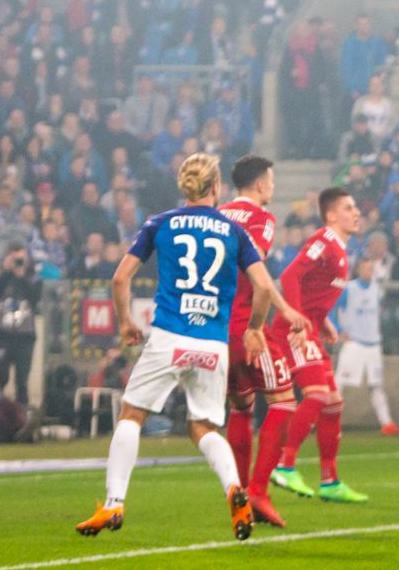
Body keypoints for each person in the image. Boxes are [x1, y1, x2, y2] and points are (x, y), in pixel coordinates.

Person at [76, 154, 283, 540]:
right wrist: (255, 328)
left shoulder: (161, 223)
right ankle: (234, 490)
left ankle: (113, 504)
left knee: (131, 415)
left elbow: (121, 280)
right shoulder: (234, 231)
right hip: (212, 344)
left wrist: (126, 322)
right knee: (204, 427)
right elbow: (265, 288)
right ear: (215, 187)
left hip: (169, 335)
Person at [260, 186, 368, 504]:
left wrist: (325, 321)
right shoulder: (323, 241)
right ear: (332, 215)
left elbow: (313, 290)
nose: (357, 212)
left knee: (333, 403)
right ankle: (284, 464)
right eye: (349, 207)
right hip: (294, 332)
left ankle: (330, 481)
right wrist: (295, 317)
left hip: (311, 330)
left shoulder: (339, 249)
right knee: (318, 395)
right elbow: (291, 276)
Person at [218, 155, 311, 526]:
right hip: (245, 324)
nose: (272, 187)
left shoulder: (217, 214)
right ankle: (257, 491)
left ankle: (239, 494)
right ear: (259, 185)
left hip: (215, 330)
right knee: (284, 400)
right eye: (271, 181)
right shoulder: (262, 219)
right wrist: (277, 315)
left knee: (241, 406)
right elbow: (257, 275)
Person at [336, 256, 399, 437]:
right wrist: (340, 329)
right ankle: (329, 423)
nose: (368, 272)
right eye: (365, 268)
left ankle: (387, 423)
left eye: (371, 268)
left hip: (373, 344)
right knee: (339, 384)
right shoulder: (348, 289)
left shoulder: (376, 290)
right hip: (354, 343)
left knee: (376, 385)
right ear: (358, 270)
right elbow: (330, 309)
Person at [0, 242, 41, 403]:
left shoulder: (33, 278)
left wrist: (21, 275)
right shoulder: (2, 278)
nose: (17, 262)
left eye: (20, 258)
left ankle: (22, 417)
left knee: (22, 381)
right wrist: (5, 272)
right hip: (3, 336)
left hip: (25, 337)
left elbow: (35, 299)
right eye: (14, 258)